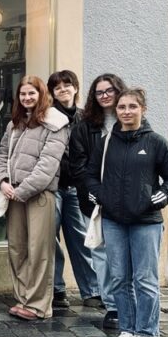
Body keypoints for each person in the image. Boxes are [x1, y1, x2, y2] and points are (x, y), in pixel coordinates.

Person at [87, 87, 168, 337]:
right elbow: (90, 175)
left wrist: (157, 199)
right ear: (115, 111)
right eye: (121, 107)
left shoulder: (156, 143)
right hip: (114, 221)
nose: (126, 112)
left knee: (145, 279)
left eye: (132, 106)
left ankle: (146, 333)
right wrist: (101, 195)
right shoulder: (106, 143)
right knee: (119, 278)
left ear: (143, 109)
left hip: (145, 222)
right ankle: (127, 329)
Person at [0, 75, 70, 321]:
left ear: (41, 94)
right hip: (13, 193)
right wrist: (2, 181)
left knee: (39, 251)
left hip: (39, 195)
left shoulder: (56, 123)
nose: (27, 98)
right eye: (23, 94)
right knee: (17, 248)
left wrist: (22, 190)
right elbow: (1, 155)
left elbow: (47, 166)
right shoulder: (14, 124)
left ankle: (38, 305)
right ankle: (23, 298)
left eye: (31, 93)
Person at [69, 73, 127, 329]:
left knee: (124, 254)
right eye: (99, 92)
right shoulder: (84, 127)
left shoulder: (131, 121)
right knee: (101, 253)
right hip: (94, 201)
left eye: (109, 91)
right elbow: (78, 166)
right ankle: (112, 305)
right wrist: (95, 192)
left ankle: (128, 302)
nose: (104, 96)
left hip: (127, 200)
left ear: (118, 91)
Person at [47, 70, 103, 312]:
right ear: (52, 92)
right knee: (50, 240)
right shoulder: (47, 116)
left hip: (76, 188)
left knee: (81, 238)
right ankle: (56, 289)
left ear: (76, 88)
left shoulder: (86, 118)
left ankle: (91, 290)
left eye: (67, 85)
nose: (63, 90)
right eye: (57, 87)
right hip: (52, 187)